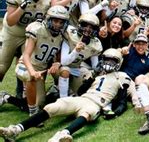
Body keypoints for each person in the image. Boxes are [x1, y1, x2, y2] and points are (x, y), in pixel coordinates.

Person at [0, 48, 130, 142]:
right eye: (106, 60)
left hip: (96, 104)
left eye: (112, 61)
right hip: (82, 98)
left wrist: (116, 112)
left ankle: (63, 134)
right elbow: (80, 92)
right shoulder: (96, 74)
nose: (108, 64)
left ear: (118, 63)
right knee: (52, 107)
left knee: (87, 112)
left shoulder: (122, 77)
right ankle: (15, 130)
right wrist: (92, 77)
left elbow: (123, 100)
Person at [0, 0, 51, 82]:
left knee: (28, 69)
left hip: (30, 36)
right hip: (12, 32)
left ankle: (23, 95)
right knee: (1, 67)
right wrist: (23, 6)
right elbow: (10, 21)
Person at [17, 6, 69, 116]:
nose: (58, 25)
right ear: (49, 19)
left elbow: (57, 54)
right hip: (26, 65)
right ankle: (33, 112)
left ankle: (7, 97)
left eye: (61, 22)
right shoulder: (37, 30)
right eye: (55, 21)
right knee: (29, 77)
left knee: (40, 103)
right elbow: (26, 55)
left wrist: (57, 62)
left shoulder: (60, 36)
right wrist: (32, 72)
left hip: (41, 69)